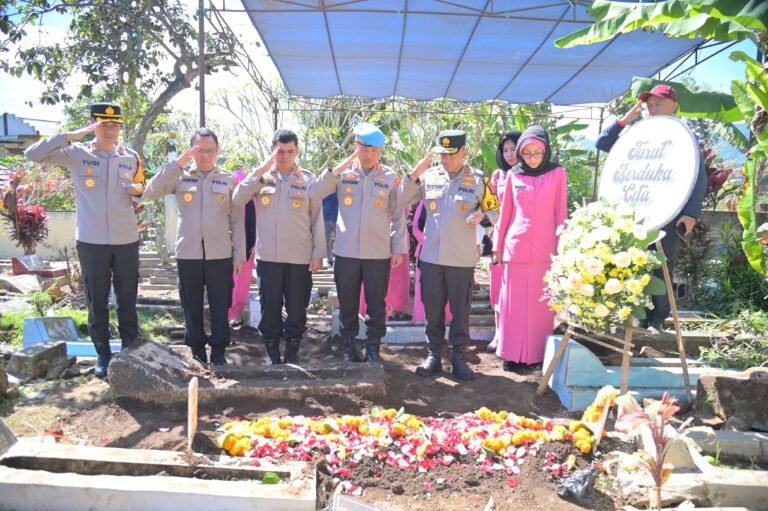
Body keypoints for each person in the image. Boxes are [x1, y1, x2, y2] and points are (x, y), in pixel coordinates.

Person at [24, 103, 145, 378]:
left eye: (115, 125)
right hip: (92, 240)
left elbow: (141, 189)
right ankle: (103, 354)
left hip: (126, 238)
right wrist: (69, 136)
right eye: (103, 124)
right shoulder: (77, 154)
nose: (110, 130)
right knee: (96, 299)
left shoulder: (131, 158)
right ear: (92, 124)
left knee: (127, 297)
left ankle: (130, 350)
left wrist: (139, 194)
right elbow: (32, 154)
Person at [595, 83, 707, 333]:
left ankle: (657, 320)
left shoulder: (684, 136)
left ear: (675, 105)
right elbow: (602, 143)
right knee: (633, 264)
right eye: (649, 105)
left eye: (659, 104)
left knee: (662, 266)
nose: (653, 109)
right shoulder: (637, 134)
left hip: (669, 213)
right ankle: (637, 317)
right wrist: (625, 120)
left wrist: (691, 213)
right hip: (634, 215)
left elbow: (698, 176)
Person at [142, 128, 244, 365]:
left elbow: (237, 220)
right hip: (188, 253)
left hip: (220, 253)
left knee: (221, 304)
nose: (205, 155)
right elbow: (150, 192)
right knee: (191, 303)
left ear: (217, 151)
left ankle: (219, 351)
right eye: (199, 150)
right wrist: (177, 163)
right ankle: (196, 350)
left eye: (210, 150)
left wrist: (238, 254)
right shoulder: (180, 176)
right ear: (191, 151)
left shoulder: (229, 180)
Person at [309, 122, 407, 363]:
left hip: (378, 252)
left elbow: (397, 215)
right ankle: (349, 347)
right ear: (355, 148)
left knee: (376, 304)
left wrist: (398, 248)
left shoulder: (389, 176)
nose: (370, 155)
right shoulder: (343, 175)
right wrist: (338, 168)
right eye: (365, 150)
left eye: (376, 151)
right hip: (346, 252)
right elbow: (315, 192)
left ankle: (373, 348)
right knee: (348, 303)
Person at [401, 130, 495, 381]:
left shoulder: (478, 180)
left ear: (464, 152)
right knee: (433, 310)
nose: (445, 160)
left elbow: (495, 210)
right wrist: (414, 173)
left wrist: (483, 217)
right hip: (431, 257)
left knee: (460, 311)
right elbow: (401, 198)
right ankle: (433, 355)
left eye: (451, 155)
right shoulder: (429, 177)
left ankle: (458, 357)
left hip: (461, 259)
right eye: (442, 155)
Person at [232, 129, 324, 364]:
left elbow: (317, 219)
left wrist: (318, 254)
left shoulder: (309, 180)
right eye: (279, 151)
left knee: (297, 308)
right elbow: (237, 198)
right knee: (270, 307)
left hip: (299, 256)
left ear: (297, 151)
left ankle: (292, 351)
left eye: (290, 151)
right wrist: (260, 170)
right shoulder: (261, 178)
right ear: (271, 151)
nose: (284, 156)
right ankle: (273, 353)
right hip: (268, 258)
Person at [493, 126, 567, 370]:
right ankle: (511, 355)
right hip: (515, 248)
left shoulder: (557, 173)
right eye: (527, 153)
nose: (532, 158)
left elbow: (561, 213)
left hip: (545, 251)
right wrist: (497, 246)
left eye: (537, 153)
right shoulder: (514, 174)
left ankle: (535, 356)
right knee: (512, 305)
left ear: (545, 151)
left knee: (539, 308)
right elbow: (506, 214)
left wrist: (563, 248)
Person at [486, 130, 522, 353]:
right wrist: (493, 228)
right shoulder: (498, 176)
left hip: (522, 240)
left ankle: (515, 333)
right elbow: (489, 206)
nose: (510, 154)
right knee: (498, 287)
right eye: (505, 150)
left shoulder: (531, 175)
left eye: (513, 148)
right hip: (500, 240)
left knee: (518, 290)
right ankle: (499, 333)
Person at [227, 170, 257, 328]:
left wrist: (255, 244)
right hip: (230, 248)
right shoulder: (228, 199)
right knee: (230, 283)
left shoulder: (253, 200)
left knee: (243, 284)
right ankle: (226, 315)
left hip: (249, 248)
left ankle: (236, 315)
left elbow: (258, 222)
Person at [322, 193, 338, 266]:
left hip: (337, 219)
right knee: (325, 242)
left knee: (340, 241)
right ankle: (330, 260)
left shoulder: (340, 188)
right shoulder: (325, 189)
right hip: (325, 218)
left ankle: (339, 260)